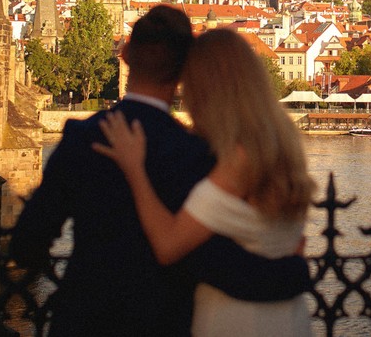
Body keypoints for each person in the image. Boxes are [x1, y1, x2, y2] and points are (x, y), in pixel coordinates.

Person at [10, 6, 310, 337]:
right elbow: (214, 261)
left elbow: (27, 243)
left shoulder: (82, 139)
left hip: (84, 320)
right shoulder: (199, 153)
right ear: (183, 72)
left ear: (125, 54)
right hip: (165, 322)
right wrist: (294, 271)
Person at [93, 28, 316, 336]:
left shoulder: (238, 161)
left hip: (236, 321)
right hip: (290, 318)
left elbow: (169, 245)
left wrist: (135, 169)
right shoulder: (285, 145)